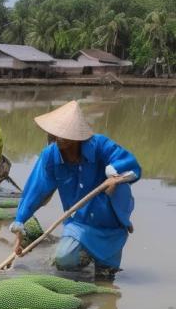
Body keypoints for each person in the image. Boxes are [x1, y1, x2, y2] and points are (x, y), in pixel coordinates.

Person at [10, 100, 140, 277]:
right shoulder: (50, 156)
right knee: (64, 259)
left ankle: (104, 268)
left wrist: (115, 177)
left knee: (108, 275)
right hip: (79, 219)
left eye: (65, 133)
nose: (60, 137)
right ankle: (85, 257)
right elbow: (36, 188)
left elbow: (132, 165)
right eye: (57, 133)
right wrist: (20, 222)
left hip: (110, 218)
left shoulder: (99, 145)